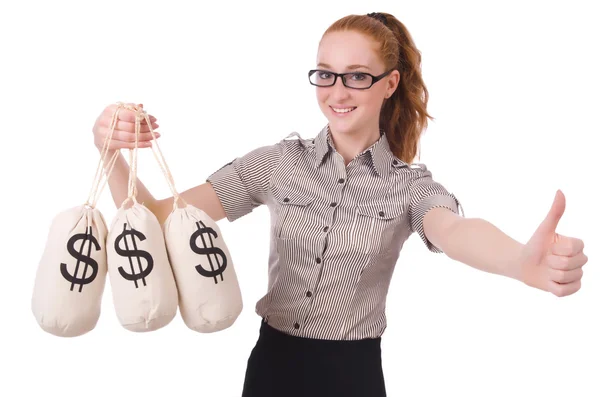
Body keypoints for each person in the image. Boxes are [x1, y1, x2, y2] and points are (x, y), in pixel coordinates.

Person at [92, 12, 588, 397]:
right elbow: (156, 218)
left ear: (389, 84)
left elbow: (456, 232)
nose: (337, 92)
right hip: (272, 365)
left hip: (352, 374)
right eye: (325, 75)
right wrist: (110, 149)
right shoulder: (276, 163)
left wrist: (520, 261)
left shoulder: (407, 185)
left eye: (356, 76)